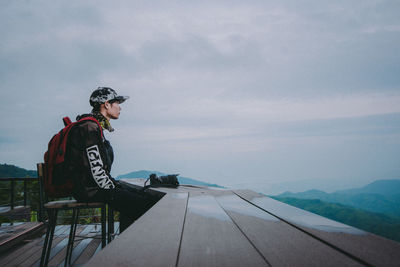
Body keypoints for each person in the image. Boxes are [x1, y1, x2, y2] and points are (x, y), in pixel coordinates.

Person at [66, 87, 159, 232]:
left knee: (140, 197)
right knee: (147, 204)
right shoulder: (89, 128)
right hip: (90, 191)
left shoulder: (93, 126)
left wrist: (119, 188)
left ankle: (126, 243)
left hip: (92, 188)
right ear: (106, 104)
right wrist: (116, 189)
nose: (120, 107)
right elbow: (97, 171)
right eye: (117, 103)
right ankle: (130, 247)